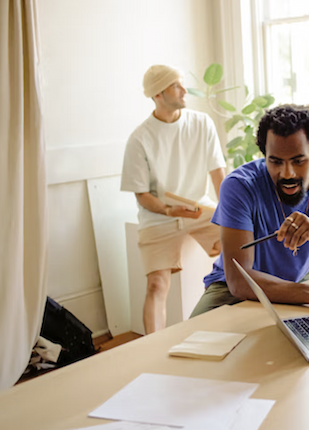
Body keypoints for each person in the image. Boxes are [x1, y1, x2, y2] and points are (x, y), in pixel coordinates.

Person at [190, 104, 309, 317]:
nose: (287, 173)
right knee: (188, 341)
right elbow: (239, 281)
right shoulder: (239, 186)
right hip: (233, 290)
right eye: (275, 161)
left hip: (298, 279)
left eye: (298, 161)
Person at [121, 65, 226, 334]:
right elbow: (142, 195)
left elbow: (218, 175)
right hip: (158, 217)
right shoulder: (139, 139)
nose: (184, 90)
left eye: (182, 84)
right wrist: (169, 211)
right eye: (176, 86)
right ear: (158, 94)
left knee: (243, 244)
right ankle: (151, 349)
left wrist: (230, 215)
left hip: (199, 209)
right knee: (157, 285)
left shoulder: (201, 123)